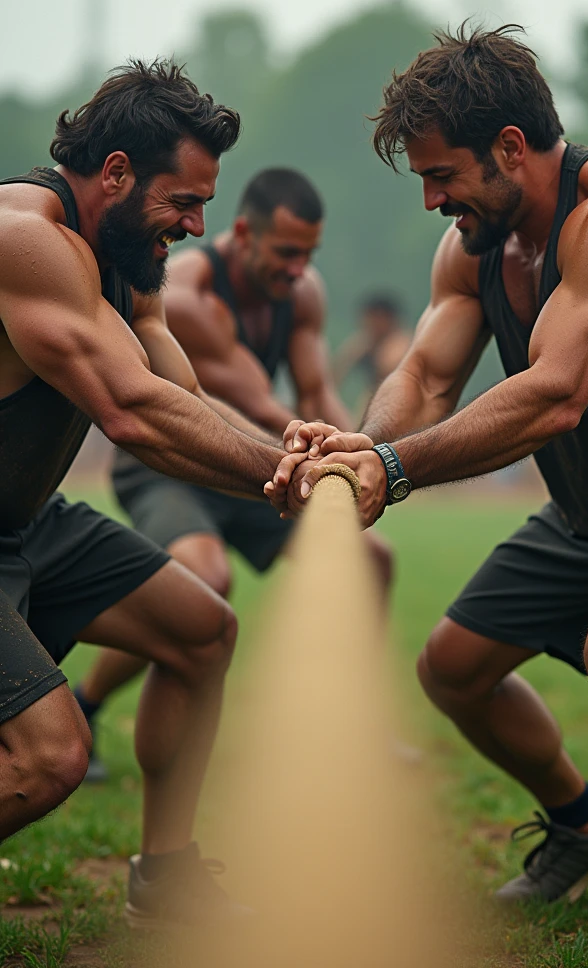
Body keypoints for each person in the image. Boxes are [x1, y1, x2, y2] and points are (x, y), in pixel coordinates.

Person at [268, 23, 588, 904]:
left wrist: (395, 465)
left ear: (509, 147)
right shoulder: (474, 245)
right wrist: (360, 453)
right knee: (453, 668)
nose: (430, 200)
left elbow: (556, 392)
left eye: (440, 175)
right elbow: (423, 376)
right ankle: (585, 827)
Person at [0, 59, 313, 929]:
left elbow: (167, 381)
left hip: (25, 520)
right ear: (116, 174)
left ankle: (167, 877)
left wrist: (285, 452)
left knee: (200, 630)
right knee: (49, 758)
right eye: (185, 201)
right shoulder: (25, 237)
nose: (200, 223)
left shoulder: (124, 250)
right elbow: (132, 414)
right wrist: (279, 474)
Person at [73, 168, 393, 781]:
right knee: (204, 576)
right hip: (170, 468)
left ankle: (348, 724)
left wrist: (357, 451)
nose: (299, 268)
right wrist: (317, 455)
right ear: (244, 233)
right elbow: (260, 404)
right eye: (286, 252)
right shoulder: (189, 294)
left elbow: (315, 388)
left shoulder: (304, 293)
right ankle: (88, 706)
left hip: (259, 460)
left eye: (309, 255)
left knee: (373, 561)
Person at [333, 294, 411, 396]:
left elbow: (386, 372)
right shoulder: (363, 342)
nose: (368, 324)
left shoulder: (401, 343)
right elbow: (336, 373)